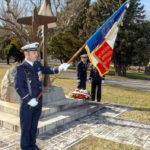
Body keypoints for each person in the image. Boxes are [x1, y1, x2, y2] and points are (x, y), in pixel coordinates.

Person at [14, 42, 70, 150]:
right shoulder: (20, 68)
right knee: (26, 127)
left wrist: (59, 68)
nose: (36, 54)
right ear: (27, 53)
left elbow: (47, 70)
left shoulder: (37, 65)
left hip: (38, 101)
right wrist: (29, 100)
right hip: (27, 104)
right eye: (34, 52)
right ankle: (25, 147)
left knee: (34, 125)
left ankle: (32, 145)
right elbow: (18, 87)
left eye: (36, 52)